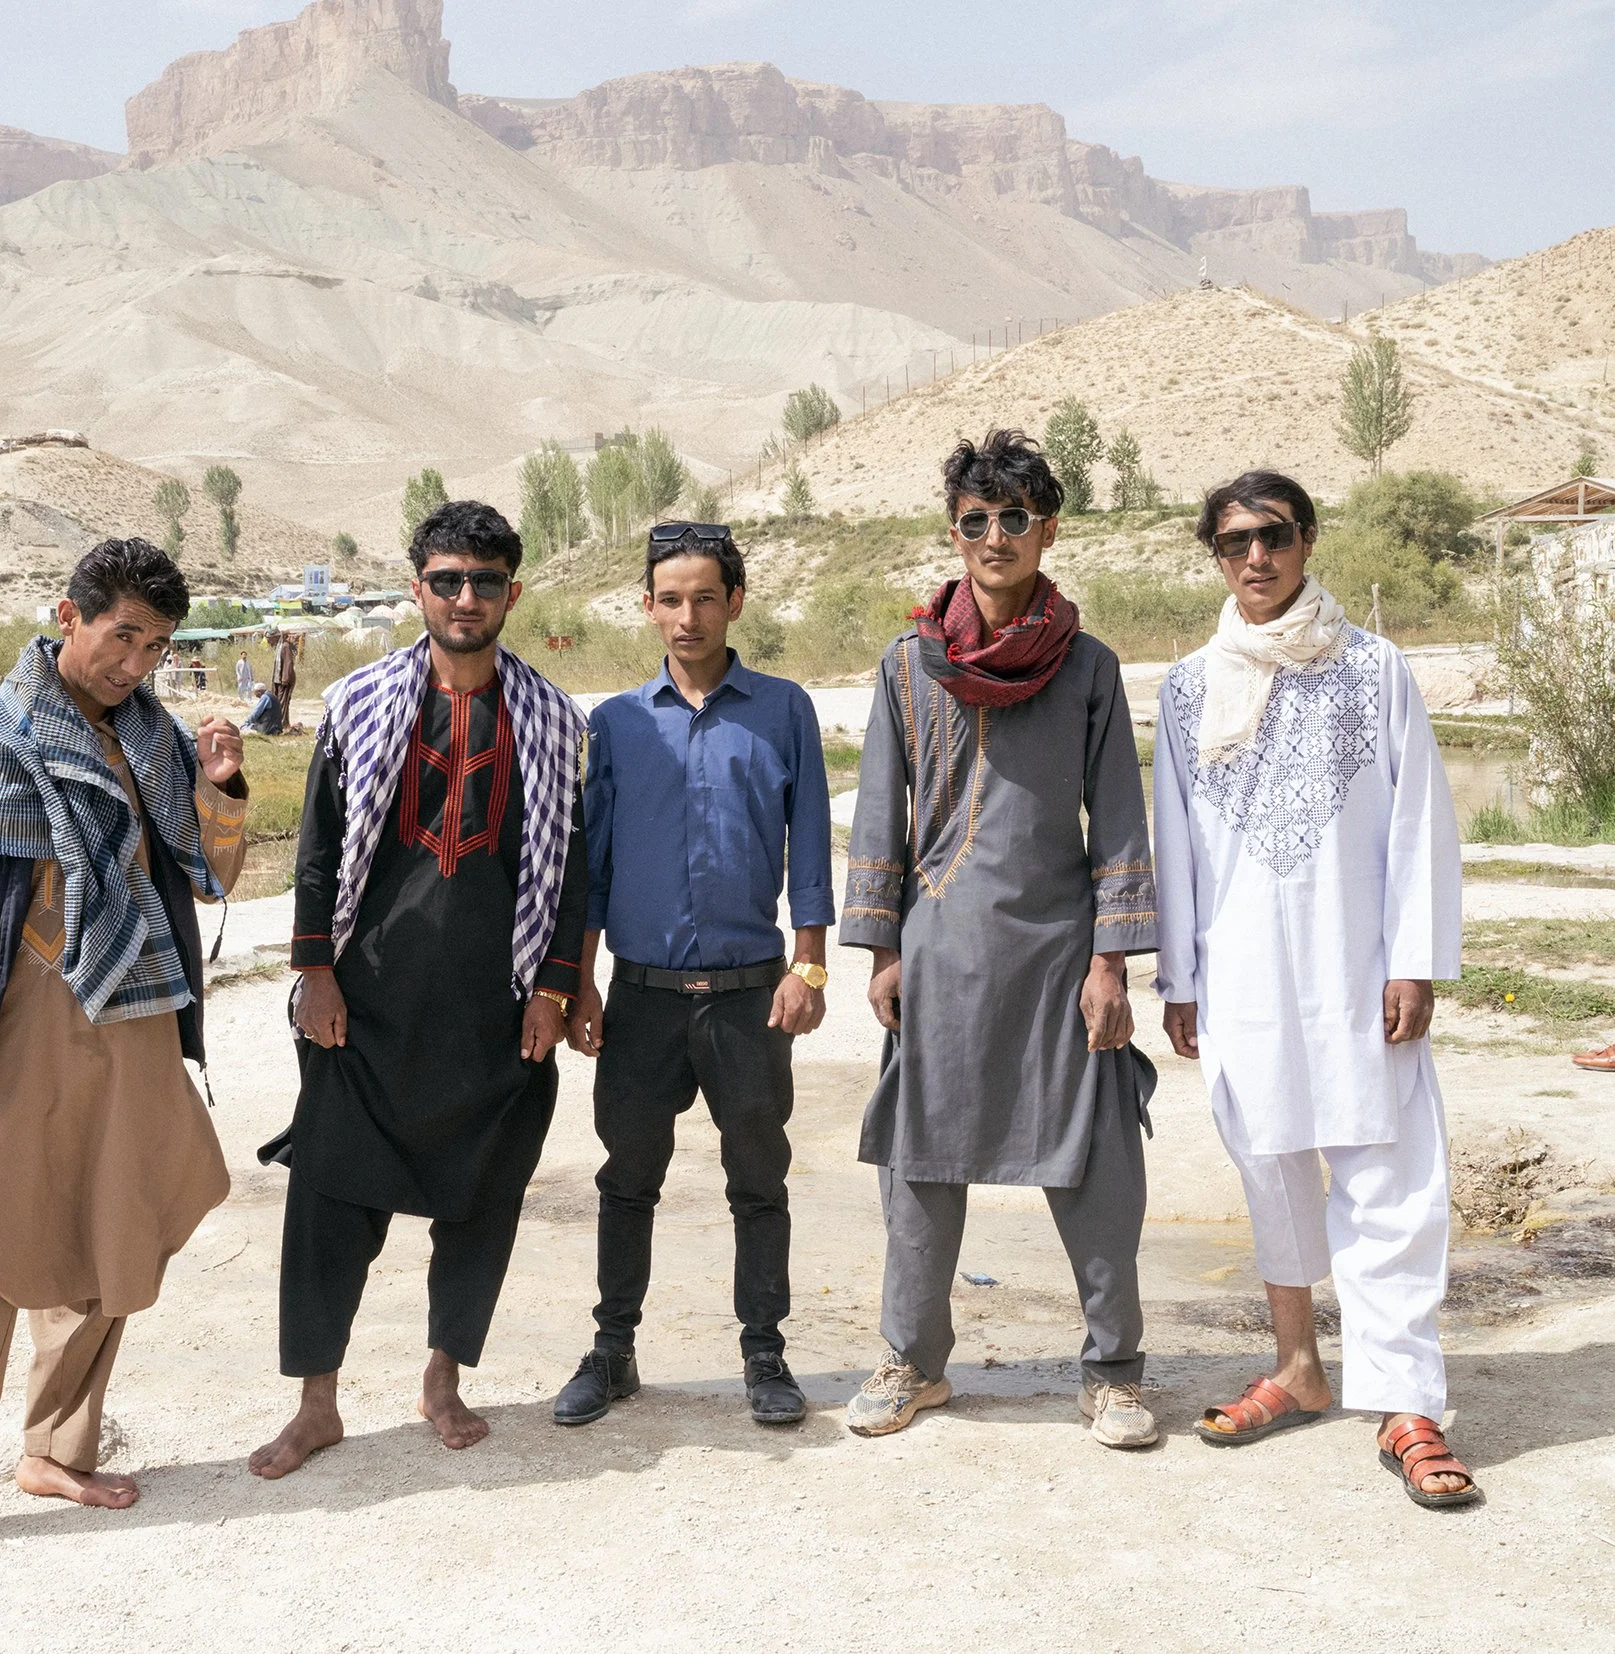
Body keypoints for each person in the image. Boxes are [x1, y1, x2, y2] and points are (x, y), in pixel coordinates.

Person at [0, 538, 252, 1571]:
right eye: (123, 637)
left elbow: (211, 875)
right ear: (68, 616)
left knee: (116, 1226)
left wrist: (220, 785)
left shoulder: (153, 738)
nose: (135, 664)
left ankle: (55, 1450)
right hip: (21, 1022)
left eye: (155, 647)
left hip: (136, 1017)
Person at [1152, 470, 1479, 1510]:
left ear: (1306, 541)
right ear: (1214, 555)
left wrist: (1413, 958)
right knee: (1270, 1161)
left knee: (1388, 1169)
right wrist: (1179, 977)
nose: (1256, 557)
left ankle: (1405, 1403)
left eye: (1275, 535)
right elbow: (1174, 839)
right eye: (1234, 541)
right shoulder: (1187, 687)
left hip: (1356, 964)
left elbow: (1419, 819)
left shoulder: (1373, 669)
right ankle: (1297, 1368)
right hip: (1241, 968)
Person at [248, 501, 587, 1478]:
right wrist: (314, 970)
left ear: (512, 593)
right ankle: (316, 1404)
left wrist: (554, 989)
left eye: (485, 581)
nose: (465, 598)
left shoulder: (554, 721)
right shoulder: (357, 704)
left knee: (482, 1198)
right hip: (365, 1006)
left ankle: (442, 1379)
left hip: (494, 1008)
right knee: (327, 1198)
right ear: (417, 590)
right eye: (447, 580)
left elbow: (572, 870)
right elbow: (317, 848)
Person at [840, 429, 1160, 1448]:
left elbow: (1118, 820)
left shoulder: (1088, 667)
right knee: (920, 1159)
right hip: (938, 947)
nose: (994, 537)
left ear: (1046, 530)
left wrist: (1110, 962)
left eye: (1013, 518)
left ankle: (1112, 1372)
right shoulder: (908, 664)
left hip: (1061, 955)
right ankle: (912, 1361)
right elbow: (879, 815)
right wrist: (883, 950)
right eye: (975, 519)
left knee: (1096, 1161)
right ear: (954, 532)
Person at [553, 521, 833, 1429]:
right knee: (627, 1179)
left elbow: (810, 844)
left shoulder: (782, 710)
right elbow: (592, 864)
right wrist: (581, 982)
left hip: (751, 995)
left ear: (734, 603)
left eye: (705, 598)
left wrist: (810, 966)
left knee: (758, 1180)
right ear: (646, 608)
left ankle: (765, 1354)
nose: (688, 617)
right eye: (670, 600)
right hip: (641, 997)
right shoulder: (618, 724)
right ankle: (613, 1350)